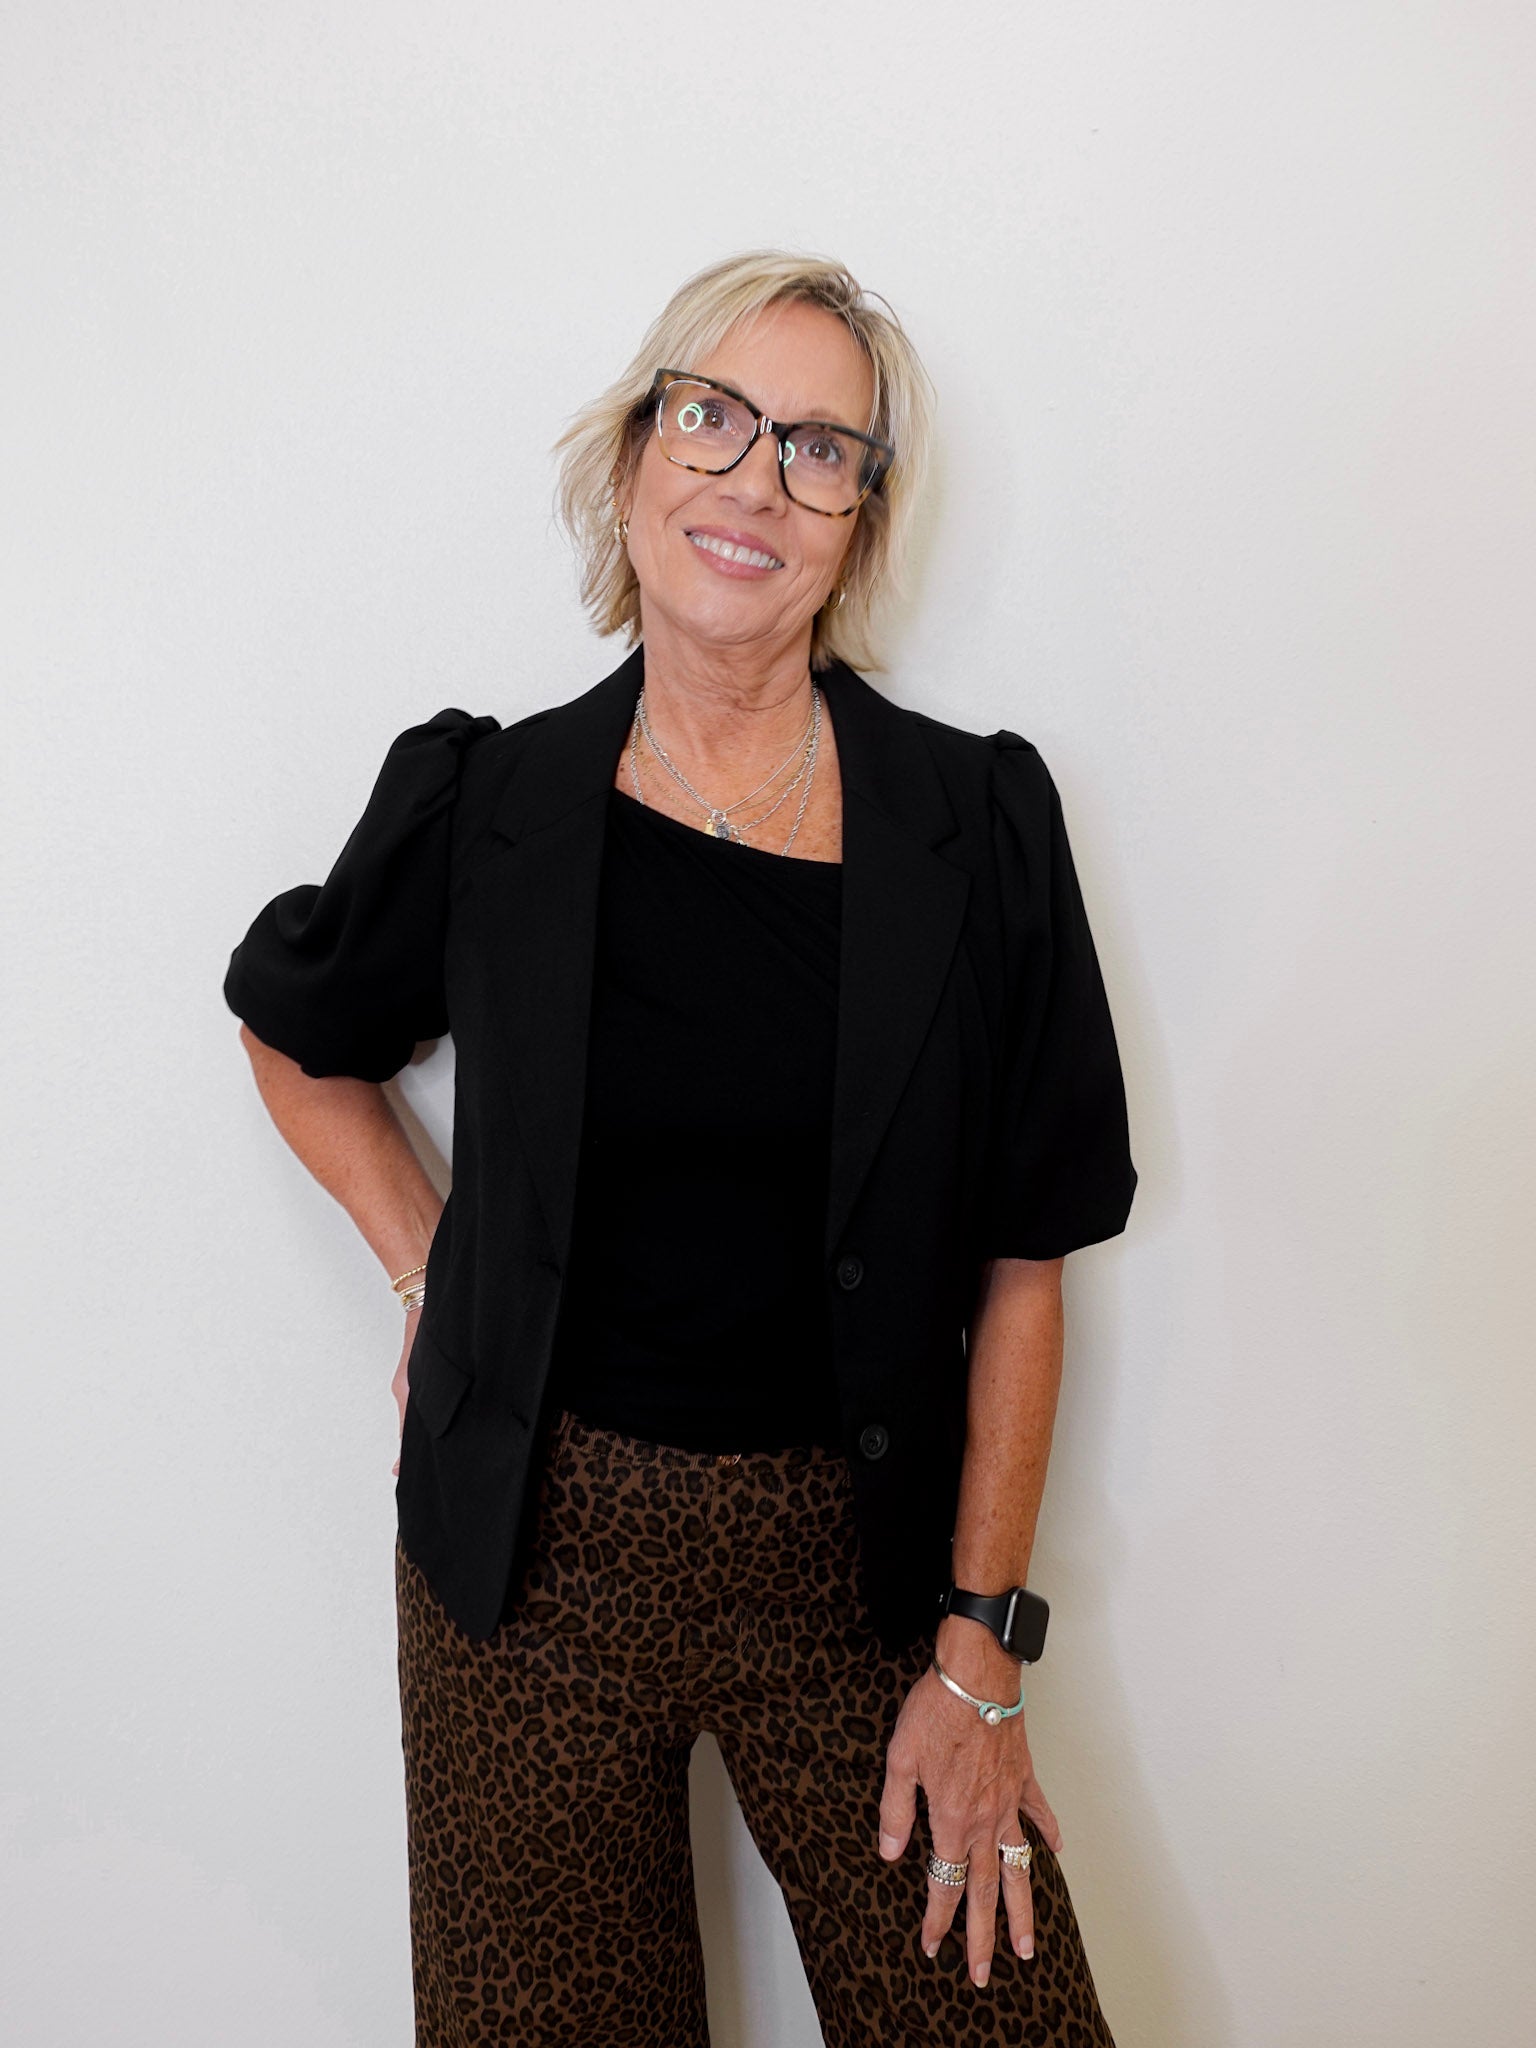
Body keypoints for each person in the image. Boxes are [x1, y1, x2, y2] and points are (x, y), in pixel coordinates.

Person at [223, 248, 1138, 2047]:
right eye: (712, 418)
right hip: (525, 1577)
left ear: (860, 522)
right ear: (635, 456)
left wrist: (984, 1656)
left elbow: (1026, 1263)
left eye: (820, 448)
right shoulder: (491, 804)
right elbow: (293, 1026)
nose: (753, 479)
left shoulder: (978, 827)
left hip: (856, 1575)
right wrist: (428, 1256)